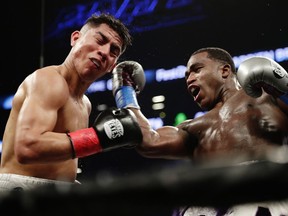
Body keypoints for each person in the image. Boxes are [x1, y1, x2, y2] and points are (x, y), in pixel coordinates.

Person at [111, 47, 288, 215]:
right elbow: (147, 141)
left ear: (224, 71)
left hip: (259, 190)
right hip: (209, 199)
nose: (189, 79)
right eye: (187, 76)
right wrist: (125, 92)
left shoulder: (262, 95)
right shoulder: (192, 127)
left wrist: (283, 86)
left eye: (196, 70)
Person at [0, 13, 144, 192]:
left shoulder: (85, 105)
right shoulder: (48, 80)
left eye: (113, 51)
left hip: (59, 195)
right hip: (22, 192)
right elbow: (28, 146)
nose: (104, 52)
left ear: (111, 66)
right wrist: (98, 137)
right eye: (100, 40)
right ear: (75, 38)